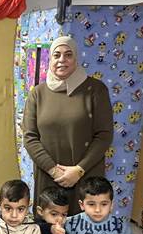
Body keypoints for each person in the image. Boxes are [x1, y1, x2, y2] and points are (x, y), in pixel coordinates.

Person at [23, 35, 113, 213]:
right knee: (50, 224)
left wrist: (79, 170)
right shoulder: (38, 94)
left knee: (83, 226)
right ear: (50, 60)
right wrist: (54, 171)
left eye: (68, 54)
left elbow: (104, 135)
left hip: (85, 176)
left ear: (76, 58)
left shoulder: (96, 90)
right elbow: (30, 137)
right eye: (56, 55)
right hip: (49, 177)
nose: (62, 60)